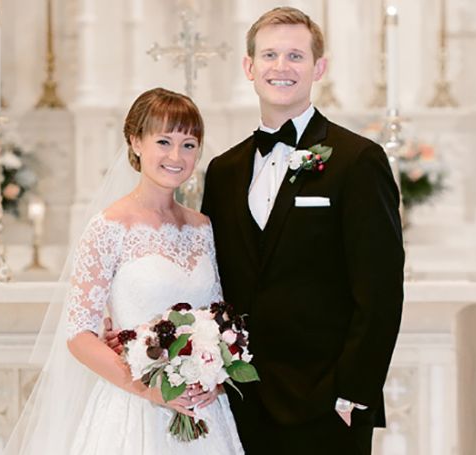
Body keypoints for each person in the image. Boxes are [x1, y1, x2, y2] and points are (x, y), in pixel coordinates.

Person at [200, 7, 405, 455]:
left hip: (327, 404)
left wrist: (354, 393)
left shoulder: (357, 160)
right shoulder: (222, 171)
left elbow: (381, 292)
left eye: (296, 56)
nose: (282, 66)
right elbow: (215, 281)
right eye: (269, 55)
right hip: (240, 401)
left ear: (319, 68)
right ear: (249, 67)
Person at [3, 87, 244, 455]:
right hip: (133, 410)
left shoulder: (203, 228)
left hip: (204, 413)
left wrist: (216, 378)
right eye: (163, 142)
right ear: (135, 141)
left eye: (189, 145)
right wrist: (151, 389)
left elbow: (218, 318)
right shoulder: (110, 226)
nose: (176, 156)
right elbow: (79, 335)